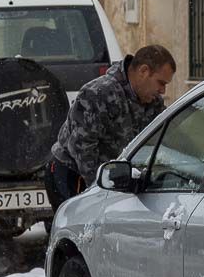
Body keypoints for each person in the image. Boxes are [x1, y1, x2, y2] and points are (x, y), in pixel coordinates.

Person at [46, 44, 176, 211]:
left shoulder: (152, 102)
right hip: (73, 175)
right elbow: (83, 149)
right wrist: (99, 191)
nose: (163, 90)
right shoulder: (98, 93)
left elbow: (162, 138)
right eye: (161, 83)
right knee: (79, 233)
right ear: (144, 71)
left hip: (112, 179)